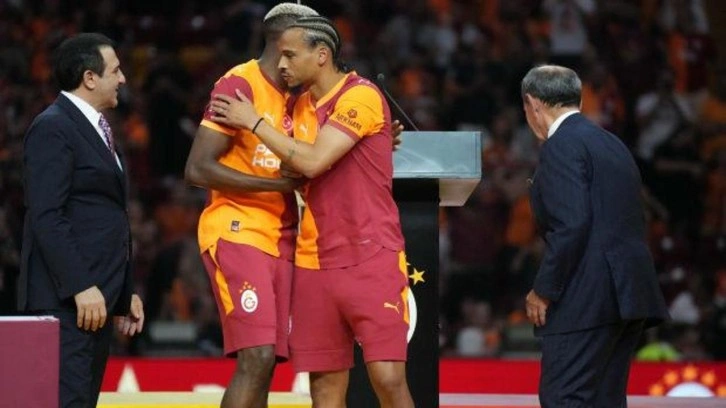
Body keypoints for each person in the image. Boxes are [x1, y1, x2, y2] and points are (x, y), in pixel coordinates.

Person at [209, 16, 414, 407]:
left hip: (370, 255)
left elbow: (313, 160)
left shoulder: (360, 95)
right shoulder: (298, 106)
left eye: (290, 55)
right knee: (324, 389)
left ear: (321, 55)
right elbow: (293, 165)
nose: (282, 64)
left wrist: (253, 121)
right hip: (313, 263)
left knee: (388, 378)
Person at [184, 3, 317, 408]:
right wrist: (276, 185)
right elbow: (197, 168)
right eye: (309, 43)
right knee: (256, 355)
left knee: (266, 361)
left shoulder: (301, 96)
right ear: (285, 43)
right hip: (238, 229)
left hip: (283, 238)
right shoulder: (238, 84)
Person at [521, 65, 669, 407]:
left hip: (586, 297)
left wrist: (544, 289)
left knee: (565, 398)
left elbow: (572, 224)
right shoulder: (611, 142)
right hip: (627, 293)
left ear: (533, 103)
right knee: (606, 400)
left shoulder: (561, 145)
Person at [18, 32, 144, 408]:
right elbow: (46, 215)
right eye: (115, 70)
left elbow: (107, 215)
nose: (122, 79)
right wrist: (80, 285)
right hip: (67, 303)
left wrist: (124, 292)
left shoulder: (95, 128)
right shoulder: (52, 126)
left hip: (95, 302)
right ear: (90, 77)